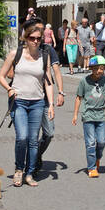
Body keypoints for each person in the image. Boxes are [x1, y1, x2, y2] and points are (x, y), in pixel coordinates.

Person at [0, 23, 55, 188]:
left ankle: (29, 173)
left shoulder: (44, 56)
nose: (36, 41)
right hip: (19, 101)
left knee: (33, 141)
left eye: (38, 38)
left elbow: (48, 82)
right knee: (22, 137)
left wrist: (50, 105)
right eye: (32, 38)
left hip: (37, 102)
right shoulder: (16, 54)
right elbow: (1, 76)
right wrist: (9, 89)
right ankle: (19, 169)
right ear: (26, 38)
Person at [22, 17, 65, 181]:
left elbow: (56, 71)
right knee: (29, 135)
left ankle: (36, 154)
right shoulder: (23, 49)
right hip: (29, 97)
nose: (38, 36)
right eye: (35, 31)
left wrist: (61, 92)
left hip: (46, 98)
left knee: (49, 133)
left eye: (40, 31)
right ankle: (29, 164)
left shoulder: (48, 50)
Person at [73, 55, 105, 178]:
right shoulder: (84, 81)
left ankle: (97, 158)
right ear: (91, 68)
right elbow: (78, 98)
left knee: (102, 141)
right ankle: (92, 168)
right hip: (88, 116)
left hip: (100, 116)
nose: (99, 71)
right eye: (96, 68)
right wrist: (75, 114)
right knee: (91, 142)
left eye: (101, 68)